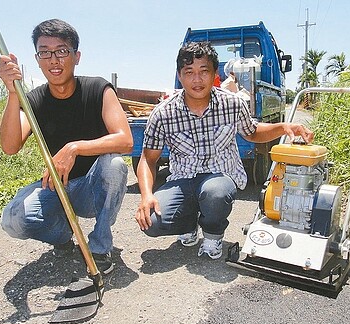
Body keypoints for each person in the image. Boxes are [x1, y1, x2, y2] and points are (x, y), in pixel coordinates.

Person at [134, 42, 313, 259]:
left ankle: (213, 234)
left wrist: (283, 127)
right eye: (189, 73)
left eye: (203, 72)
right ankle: (188, 225)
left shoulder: (232, 104)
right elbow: (148, 159)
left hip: (219, 176)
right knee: (152, 221)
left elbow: (252, 132)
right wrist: (146, 196)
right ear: (180, 76)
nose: (197, 80)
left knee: (215, 193)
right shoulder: (163, 113)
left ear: (214, 75)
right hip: (182, 179)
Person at [0, 19, 133, 275]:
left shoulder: (98, 88)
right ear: (37, 59)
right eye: (44, 52)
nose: (53, 60)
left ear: (76, 56)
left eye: (61, 51)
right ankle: (63, 236)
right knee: (13, 221)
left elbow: (125, 140)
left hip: (93, 190)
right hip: (56, 186)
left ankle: (100, 248)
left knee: (114, 165)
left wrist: (75, 147)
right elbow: (10, 146)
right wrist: (13, 93)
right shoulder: (34, 99)